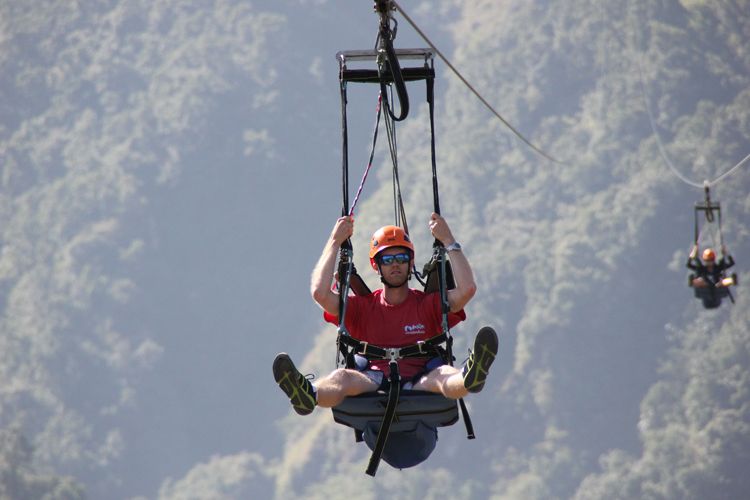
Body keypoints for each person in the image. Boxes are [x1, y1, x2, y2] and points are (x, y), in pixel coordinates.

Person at [273, 213, 498, 416]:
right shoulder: (362, 308)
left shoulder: (427, 304)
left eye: (401, 258)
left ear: (411, 264)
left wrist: (449, 241)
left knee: (444, 375)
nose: (395, 265)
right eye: (387, 260)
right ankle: (308, 394)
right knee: (340, 378)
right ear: (376, 265)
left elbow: (467, 290)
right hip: (373, 380)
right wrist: (335, 242)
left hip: (421, 378)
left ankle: (470, 378)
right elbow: (320, 294)